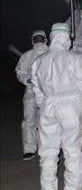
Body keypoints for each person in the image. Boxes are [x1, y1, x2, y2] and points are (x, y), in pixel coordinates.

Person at [31, 23, 82, 190]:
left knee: (47, 149)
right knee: (73, 148)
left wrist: (43, 105)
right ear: (67, 37)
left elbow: (36, 89)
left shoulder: (39, 61)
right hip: (70, 106)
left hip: (48, 106)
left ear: (52, 37)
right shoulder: (73, 58)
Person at [14, 30, 48, 160]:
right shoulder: (26, 56)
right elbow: (20, 71)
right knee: (29, 120)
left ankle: (46, 147)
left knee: (47, 120)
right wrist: (27, 80)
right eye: (36, 39)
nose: (39, 41)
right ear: (32, 40)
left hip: (47, 93)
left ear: (46, 40)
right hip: (31, 92)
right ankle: (29, 149)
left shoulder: (51, 54)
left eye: (41, 38)